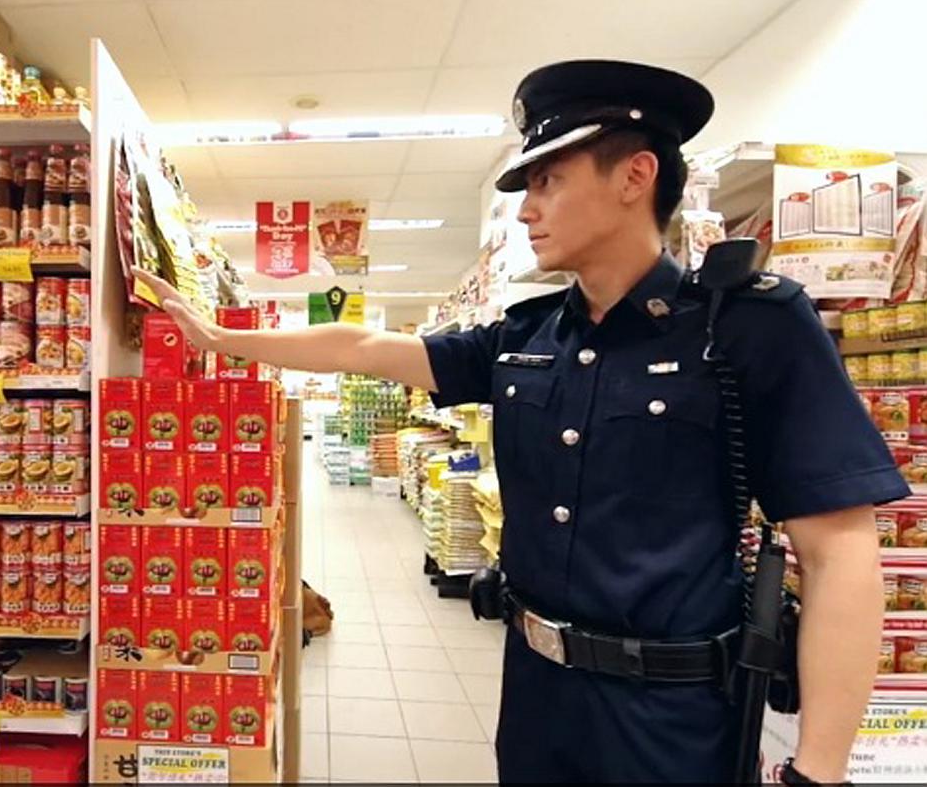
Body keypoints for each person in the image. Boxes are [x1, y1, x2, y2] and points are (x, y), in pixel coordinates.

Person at [135, 59, 901, 783]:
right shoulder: (527, 337)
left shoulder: (745, 327)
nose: (526, 210)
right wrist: (221, 337)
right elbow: (367, 345)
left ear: (637, 176)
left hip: (670, 716)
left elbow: (840, 554)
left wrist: (817, 771)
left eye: (548, 181)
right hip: (535, 693)